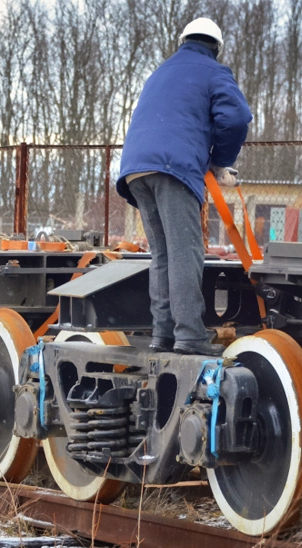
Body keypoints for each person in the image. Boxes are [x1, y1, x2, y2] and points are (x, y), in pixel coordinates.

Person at [116, 17, 251, 356]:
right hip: (172, 167)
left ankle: (163, 335)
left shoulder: (160, 72)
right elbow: (236, 117)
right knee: (184, 252)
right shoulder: (213, 70)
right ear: (215, 47)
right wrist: (220, 161)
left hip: (135, 169)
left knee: (161, 254)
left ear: (183, 40)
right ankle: (190, 336)